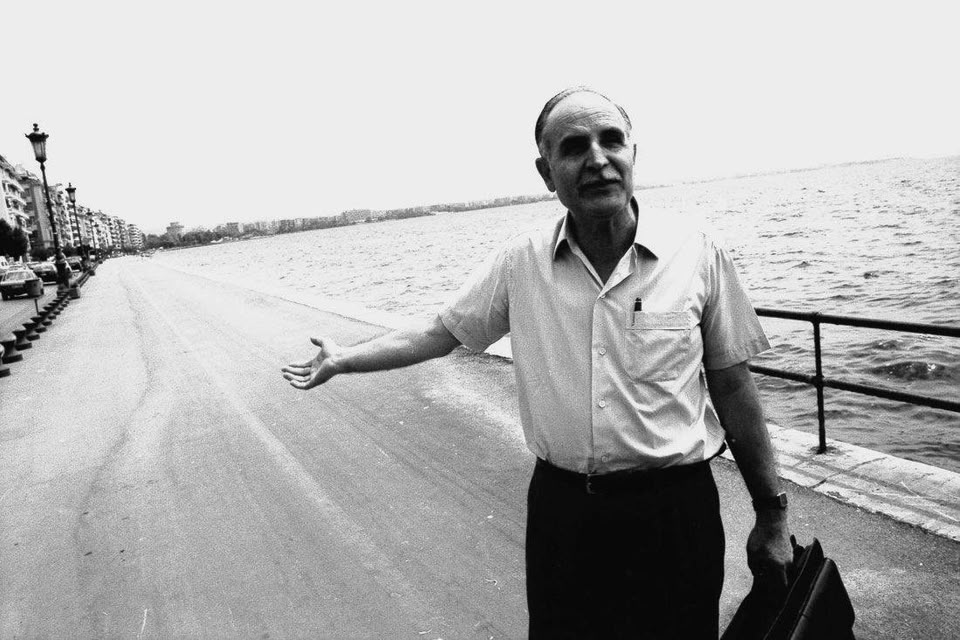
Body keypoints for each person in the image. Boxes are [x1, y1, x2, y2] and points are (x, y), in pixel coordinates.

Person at [282, 87, 792, 638]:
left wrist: (771, 514)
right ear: (546, 173)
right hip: (566, 514)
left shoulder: (697, 252)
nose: (597, 159)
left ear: (633, 154)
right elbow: (439, 332)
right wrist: (345, 359)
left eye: (611, 140)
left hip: (676, 513)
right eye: (573, 148)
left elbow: (733, 387)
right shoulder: (521, 262)